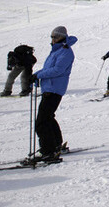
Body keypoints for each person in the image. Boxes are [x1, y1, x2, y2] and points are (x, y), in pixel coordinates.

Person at [33, 25, 77, 163]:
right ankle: (56, 145)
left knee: (41, 122)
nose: (53, 39)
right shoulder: (56, 51)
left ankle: (49, 151)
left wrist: (39, 75)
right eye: (52, 36)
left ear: (62, 37)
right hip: (50, 88)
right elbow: (49, 69)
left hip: (54, 89)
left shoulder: (65, 52)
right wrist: (36, 76)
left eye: (55, 37)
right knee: (48, 118)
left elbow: (58, 70)